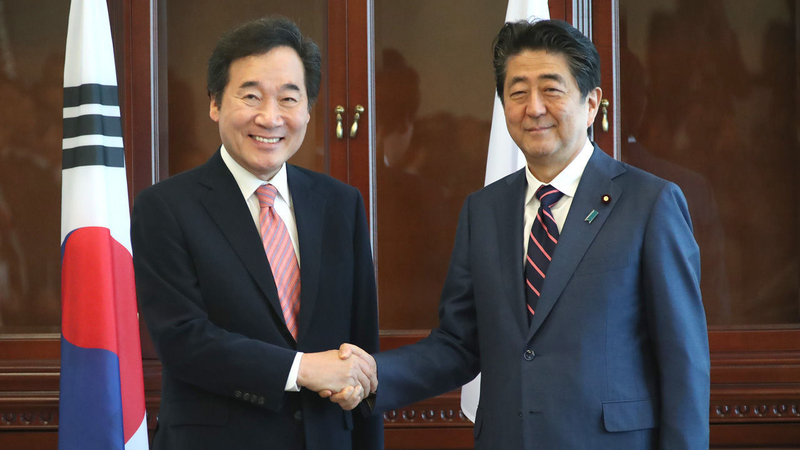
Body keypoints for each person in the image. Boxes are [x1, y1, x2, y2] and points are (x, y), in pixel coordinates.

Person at [331, 19, 710, 449]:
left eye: (551, 89)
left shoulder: (649, 203)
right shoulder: (483, 210)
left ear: (591, 103)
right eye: (517, 93)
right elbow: (459, 343)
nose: (534, 108)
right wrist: (373, 375)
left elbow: (683, 361)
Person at [131, 16, 381, 450]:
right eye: (250, 96)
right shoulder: (165, 207)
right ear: (215, 104)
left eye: (288, 98)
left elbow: (362, 351)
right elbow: (183, 340)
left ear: (308, 110)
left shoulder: (341, 204)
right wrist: (301, 369)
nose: (270, 117)